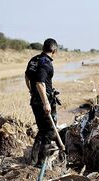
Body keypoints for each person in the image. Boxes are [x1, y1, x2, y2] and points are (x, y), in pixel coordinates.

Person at [25, 38, 59, 166]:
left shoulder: (34, 59)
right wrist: (46, 103)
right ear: (54, 50)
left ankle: (33, 159)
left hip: (35, 99)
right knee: (49, 130)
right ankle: (41, 163)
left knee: (42, 129)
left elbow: (27, 76)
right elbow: (40, 83)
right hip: (44, 100)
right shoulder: (46, 63)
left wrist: (30, 90)